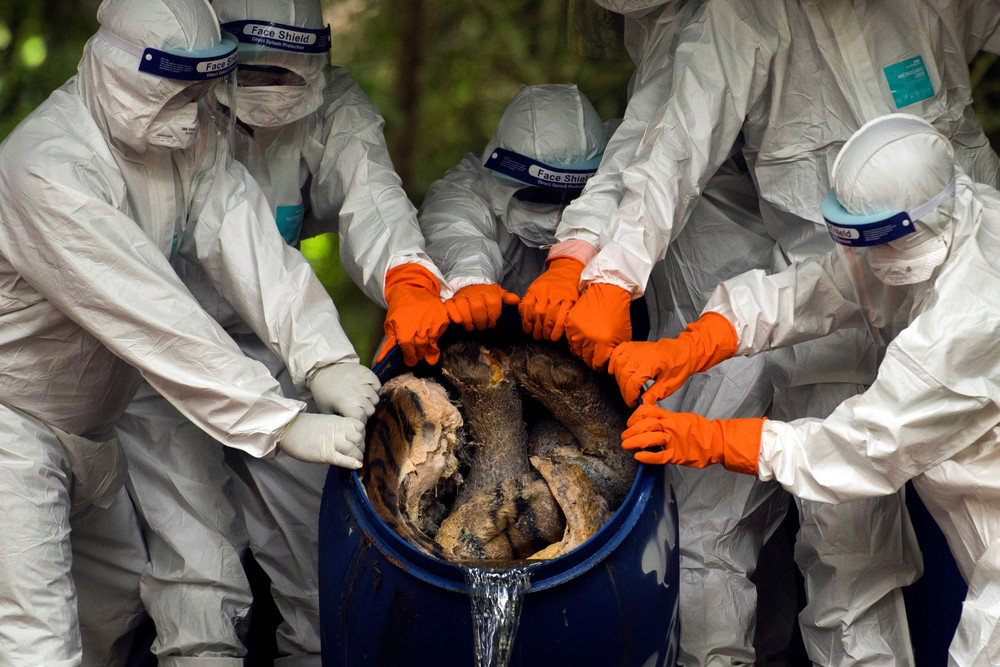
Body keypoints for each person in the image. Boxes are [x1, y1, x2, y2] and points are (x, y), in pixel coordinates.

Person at [524, 1, 928, 664]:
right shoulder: (716, 30)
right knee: (793, 551)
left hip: (791, 323)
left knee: (816, 548)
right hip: (765, 319)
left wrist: (592, 267)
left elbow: (654, 150)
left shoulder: (723, 24)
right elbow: (651, 148)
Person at [0, 0, 379, 664]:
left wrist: (324, 359)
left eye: (204, 90)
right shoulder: (46, 167)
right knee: (36, 637)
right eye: (177, 90)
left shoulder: (179, 138)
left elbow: (246, 236)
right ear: (120, 73)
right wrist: (281, 422)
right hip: (13, 423)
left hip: (92, 427)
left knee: (113, 603)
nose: (195, 110)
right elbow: (155, 315)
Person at [113, 0, 452, 664]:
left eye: (290, 70)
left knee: (322, 564)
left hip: (278, 352)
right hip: (167, 363)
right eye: (257, 69)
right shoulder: (181, 109)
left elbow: (373, 198)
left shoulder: (335, 112)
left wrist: (408, 278)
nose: (272, 89)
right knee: (198, 568)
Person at [615, 112, 1000, 666]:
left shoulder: (966, 323)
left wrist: (711, 439)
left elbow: (860, 447)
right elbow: (824, 286)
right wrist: (694, 344)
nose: (857, 256)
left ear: (907, 233)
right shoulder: (962, 210)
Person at [419, 82, 608, 328]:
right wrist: (471, 282)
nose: (557, 216)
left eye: (573, 196)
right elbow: (454, 231)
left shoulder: (622, 177)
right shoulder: (465, 190)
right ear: (501, 173)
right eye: (539, 194)